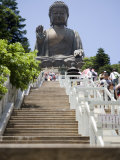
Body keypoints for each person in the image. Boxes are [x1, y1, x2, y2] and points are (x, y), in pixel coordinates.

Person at [35, 1, 84, 67]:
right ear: (50, 16)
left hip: (68, 59)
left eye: (61, 13)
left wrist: (78, 52)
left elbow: (79, 50)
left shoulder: (73, 33)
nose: (58, 15)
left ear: (67, 16)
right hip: (48, 60)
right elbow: (37, 52)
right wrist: (39, 40)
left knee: (78, 60)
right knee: (36, 59)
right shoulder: (45, 32)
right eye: (55, 13)